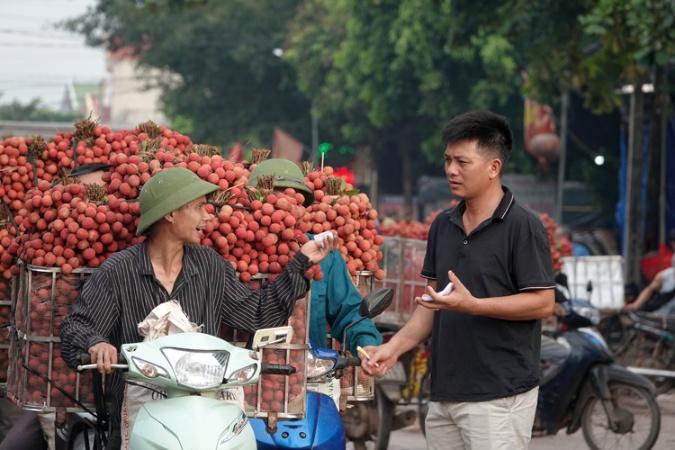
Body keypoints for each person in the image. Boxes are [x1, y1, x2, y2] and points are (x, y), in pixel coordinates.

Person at [60, 167, 336, 449]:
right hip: (138, 417)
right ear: (170, 214)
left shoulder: (209, 266)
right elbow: (76, 326)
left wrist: (300, 262)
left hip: (205, 414)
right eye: (199, 207)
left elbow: (258, 315)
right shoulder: (118, 272)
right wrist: (96, 343)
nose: (208, 216)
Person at [362, 111, 555, 449]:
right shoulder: (442, 225)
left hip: (499, 395)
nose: (451, 170)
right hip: (444, 394)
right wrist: (392, 348)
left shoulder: (523, 226)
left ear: (494, 167)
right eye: (448, 160)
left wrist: (474, 306)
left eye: (463, 162)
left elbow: (542, 302)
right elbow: (431, 306)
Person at [247, 159, 381, 356]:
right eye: (273, 198)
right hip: (240, 374)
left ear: (302, 208)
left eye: (292, 200)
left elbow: (349, 312)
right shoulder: (233, 256)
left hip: (306, 373)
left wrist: (366, 345)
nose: (282, 208)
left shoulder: (324, 254)